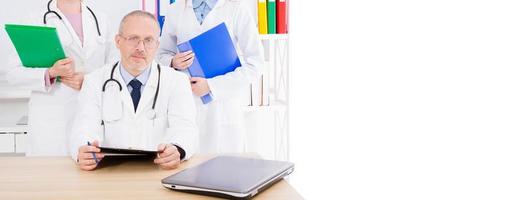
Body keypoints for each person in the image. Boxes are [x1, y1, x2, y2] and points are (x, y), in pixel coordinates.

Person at [69, 10, 198, 171]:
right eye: (133, 39)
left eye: (148, 40)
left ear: (157, 46)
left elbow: (186, 128)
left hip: (158, 174)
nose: (141, 48)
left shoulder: (176, 81)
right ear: (118, 41)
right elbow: (83, 127)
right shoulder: (95, 81)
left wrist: (178, 148)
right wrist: (83, 150)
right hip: (108, 175)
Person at [5, 0, 118, 156]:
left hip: (91, 115)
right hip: (52, 119)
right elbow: (12, 73)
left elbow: (115, 69)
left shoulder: (102, 21)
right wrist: (50, 73)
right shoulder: (34, 20)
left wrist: (89, 79)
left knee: (88, 172)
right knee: (50, 175)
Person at [156, 0, 264, 154]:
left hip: (223, 106)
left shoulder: (237, 9)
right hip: (186, 100)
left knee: (224, 171)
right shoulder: (175, 10)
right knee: (185, 168)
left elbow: (256, 64)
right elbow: (161, 55)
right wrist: (173, 62)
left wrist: (211, 86)